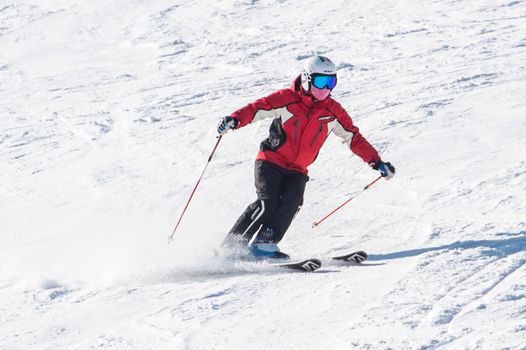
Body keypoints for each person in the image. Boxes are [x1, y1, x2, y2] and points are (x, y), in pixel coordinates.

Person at [217, 56, 395, 259]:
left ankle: (265, 243)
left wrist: (377, 161)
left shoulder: (332, 111)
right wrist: (235, 120)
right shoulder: (287, 99)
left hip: (298, 169)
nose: (325, 89)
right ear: (306, 79)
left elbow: (354, 138)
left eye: (331, 83)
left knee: (293, 201)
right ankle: (230, 247)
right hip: (271, 161)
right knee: (267, 202)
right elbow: (257, 108)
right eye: (320, 82)